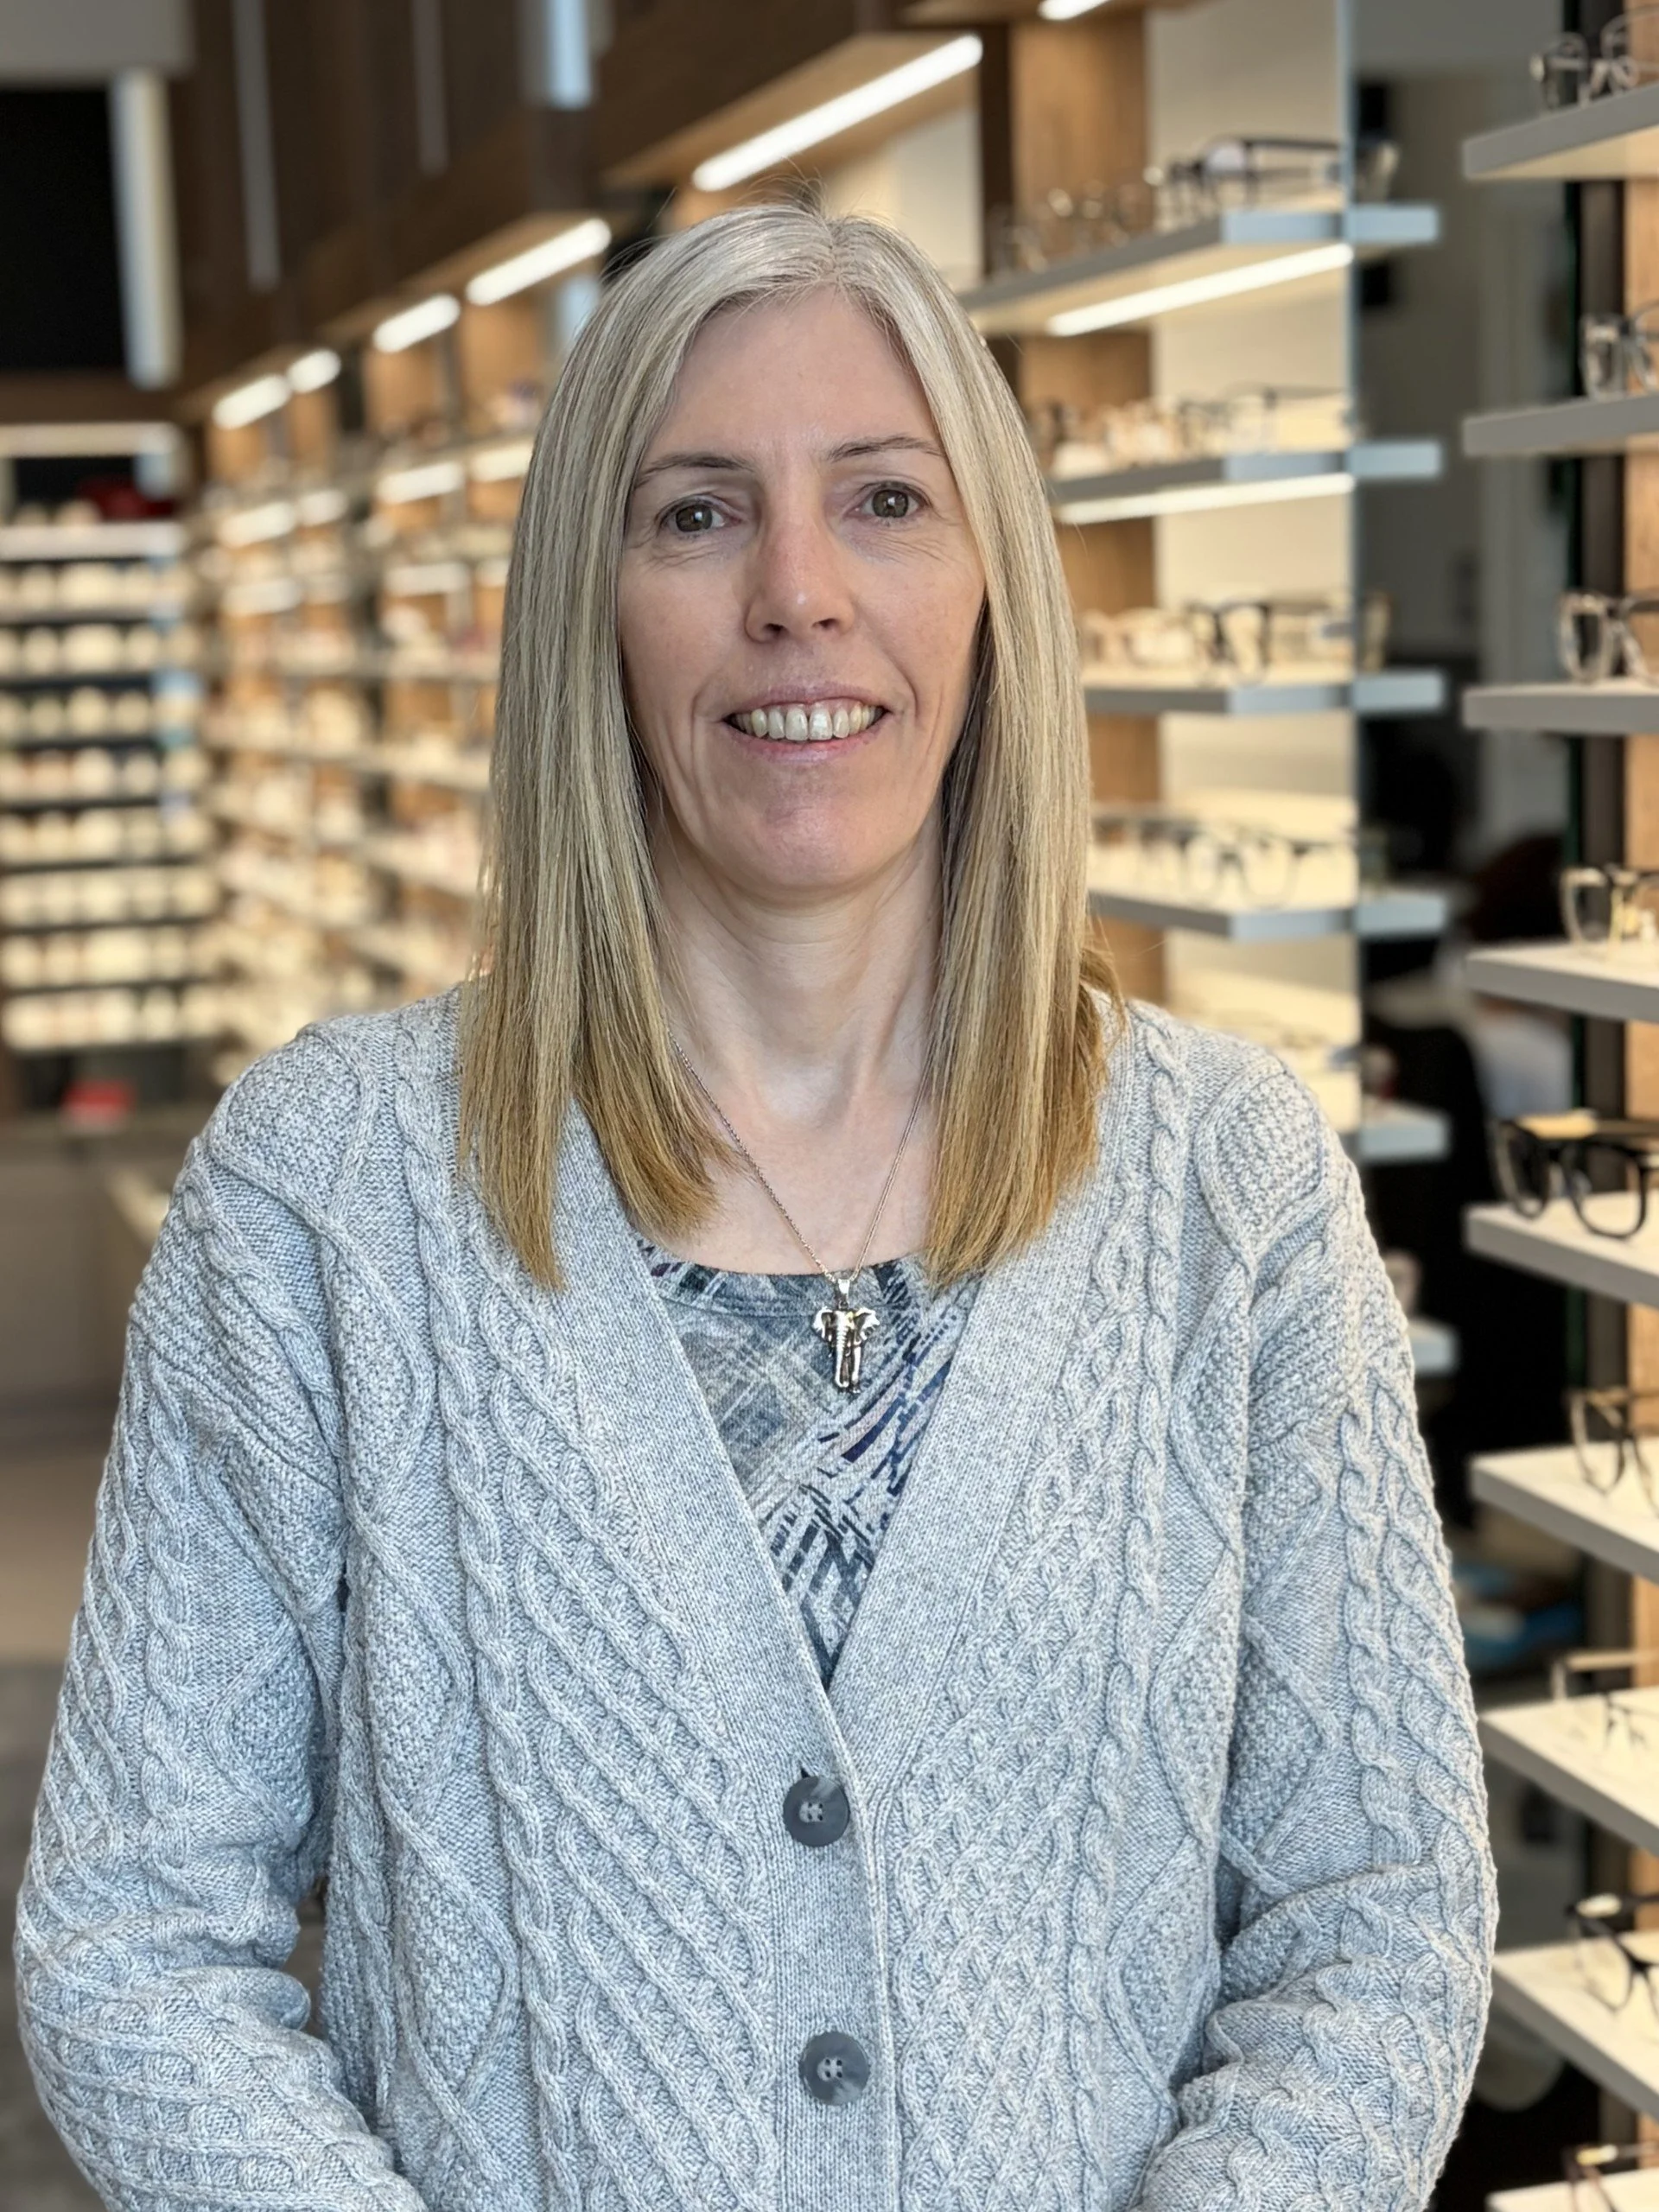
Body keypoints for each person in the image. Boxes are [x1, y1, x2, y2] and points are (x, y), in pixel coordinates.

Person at [15, 205, 1494, 2211]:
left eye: (885, 499)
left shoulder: (1229, 1187)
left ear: (993, 584)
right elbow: (134, 1941)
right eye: (698, 515)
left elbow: (1378, 1907)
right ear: (590, 604)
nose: (799, 593)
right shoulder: (325, 1195)